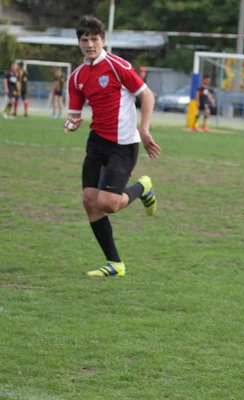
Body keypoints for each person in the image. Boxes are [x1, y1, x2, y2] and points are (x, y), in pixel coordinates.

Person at [64, 15, 161, 277]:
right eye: (85, 40)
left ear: (103, 40)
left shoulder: (118, 66)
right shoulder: (77, 77)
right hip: (97, 143)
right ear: (79, 43)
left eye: (95, 39)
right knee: (89, 200)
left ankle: (142, 187)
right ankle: (115, 264)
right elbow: (74, 115)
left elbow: (147, 95)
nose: (90, 44)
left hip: (123, 144)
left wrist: (145, 129)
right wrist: (71, 124)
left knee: (108, 203)